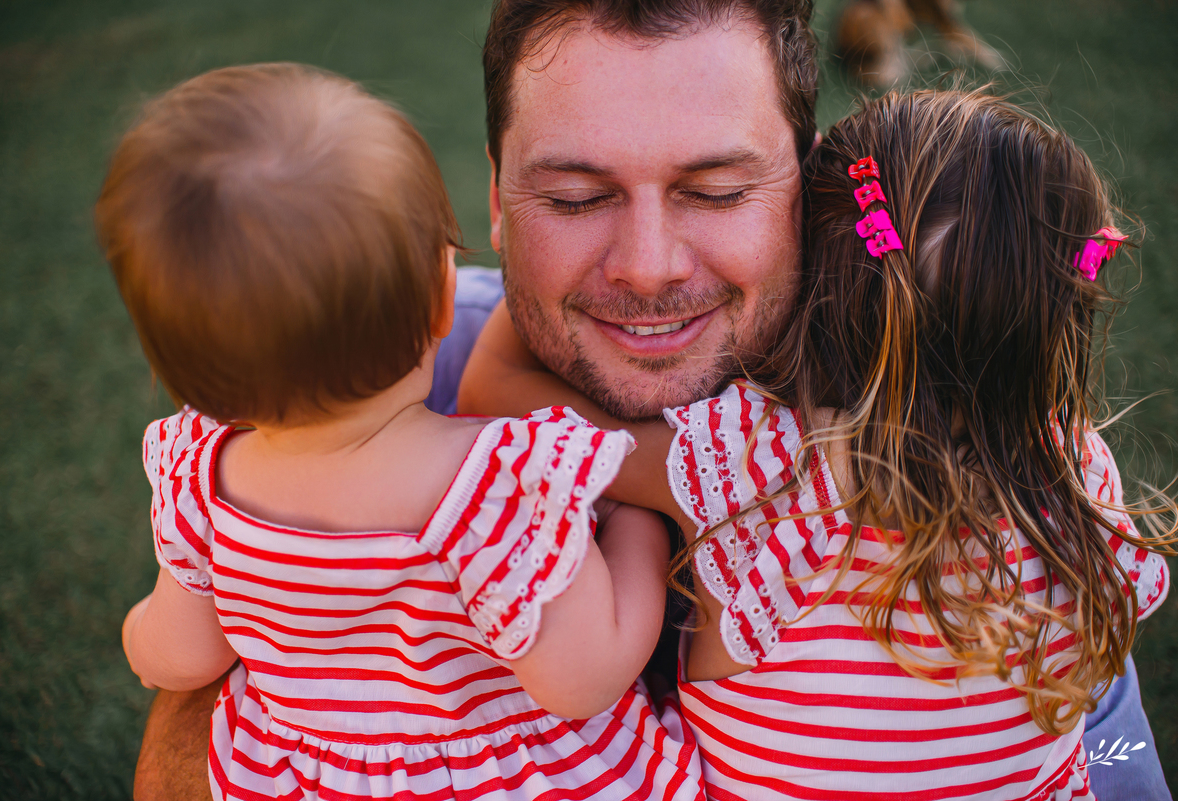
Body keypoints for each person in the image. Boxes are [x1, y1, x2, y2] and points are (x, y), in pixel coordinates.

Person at [132, 2, 1173, 798]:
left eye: (716, 190)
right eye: (575, 198)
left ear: (810, 187)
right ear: (492, 199)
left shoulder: (980, 447)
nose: (646, 267)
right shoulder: (336, 358)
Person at [463, 87, 1176, 798]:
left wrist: (549, 278)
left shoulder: (762, 469)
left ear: (814, 282)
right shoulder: (1080, 477)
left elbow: (492, 389)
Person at [99, 63, 704, 801]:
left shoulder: (204, 480)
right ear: (437, 307)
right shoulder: (497, 483)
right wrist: (638, 524)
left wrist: (137, 633)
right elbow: (583, 676)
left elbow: (179, 652)